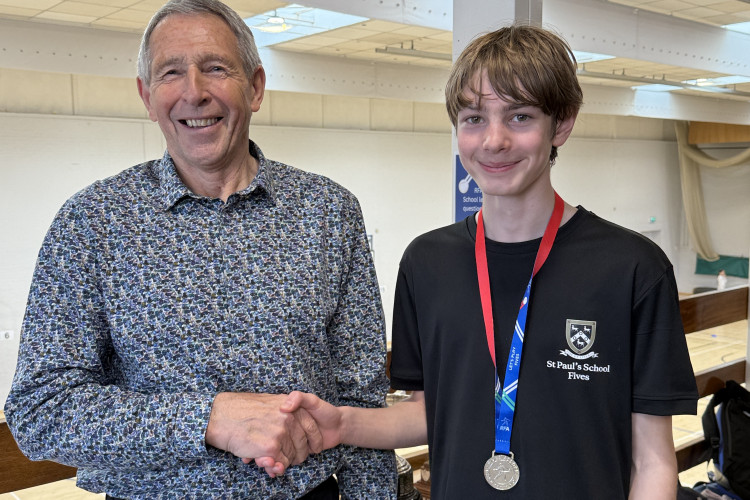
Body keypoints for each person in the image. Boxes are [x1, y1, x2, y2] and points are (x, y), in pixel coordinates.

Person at [280, 25, 699, 499]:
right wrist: (342, 424)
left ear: (561, 124)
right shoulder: (427, 262)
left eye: (520, 117)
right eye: (474, 118)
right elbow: (429, 412)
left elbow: (653, 461)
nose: (494, 140)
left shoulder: (633, 268)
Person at [3, 0, 396, 498]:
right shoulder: (93, 222)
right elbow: (41, 412)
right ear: (147, 97)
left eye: (215, 68)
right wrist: (207, 419)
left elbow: (363, 400)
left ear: (255, 87)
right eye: (171, 72)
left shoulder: (328, 212)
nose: (194, 91)